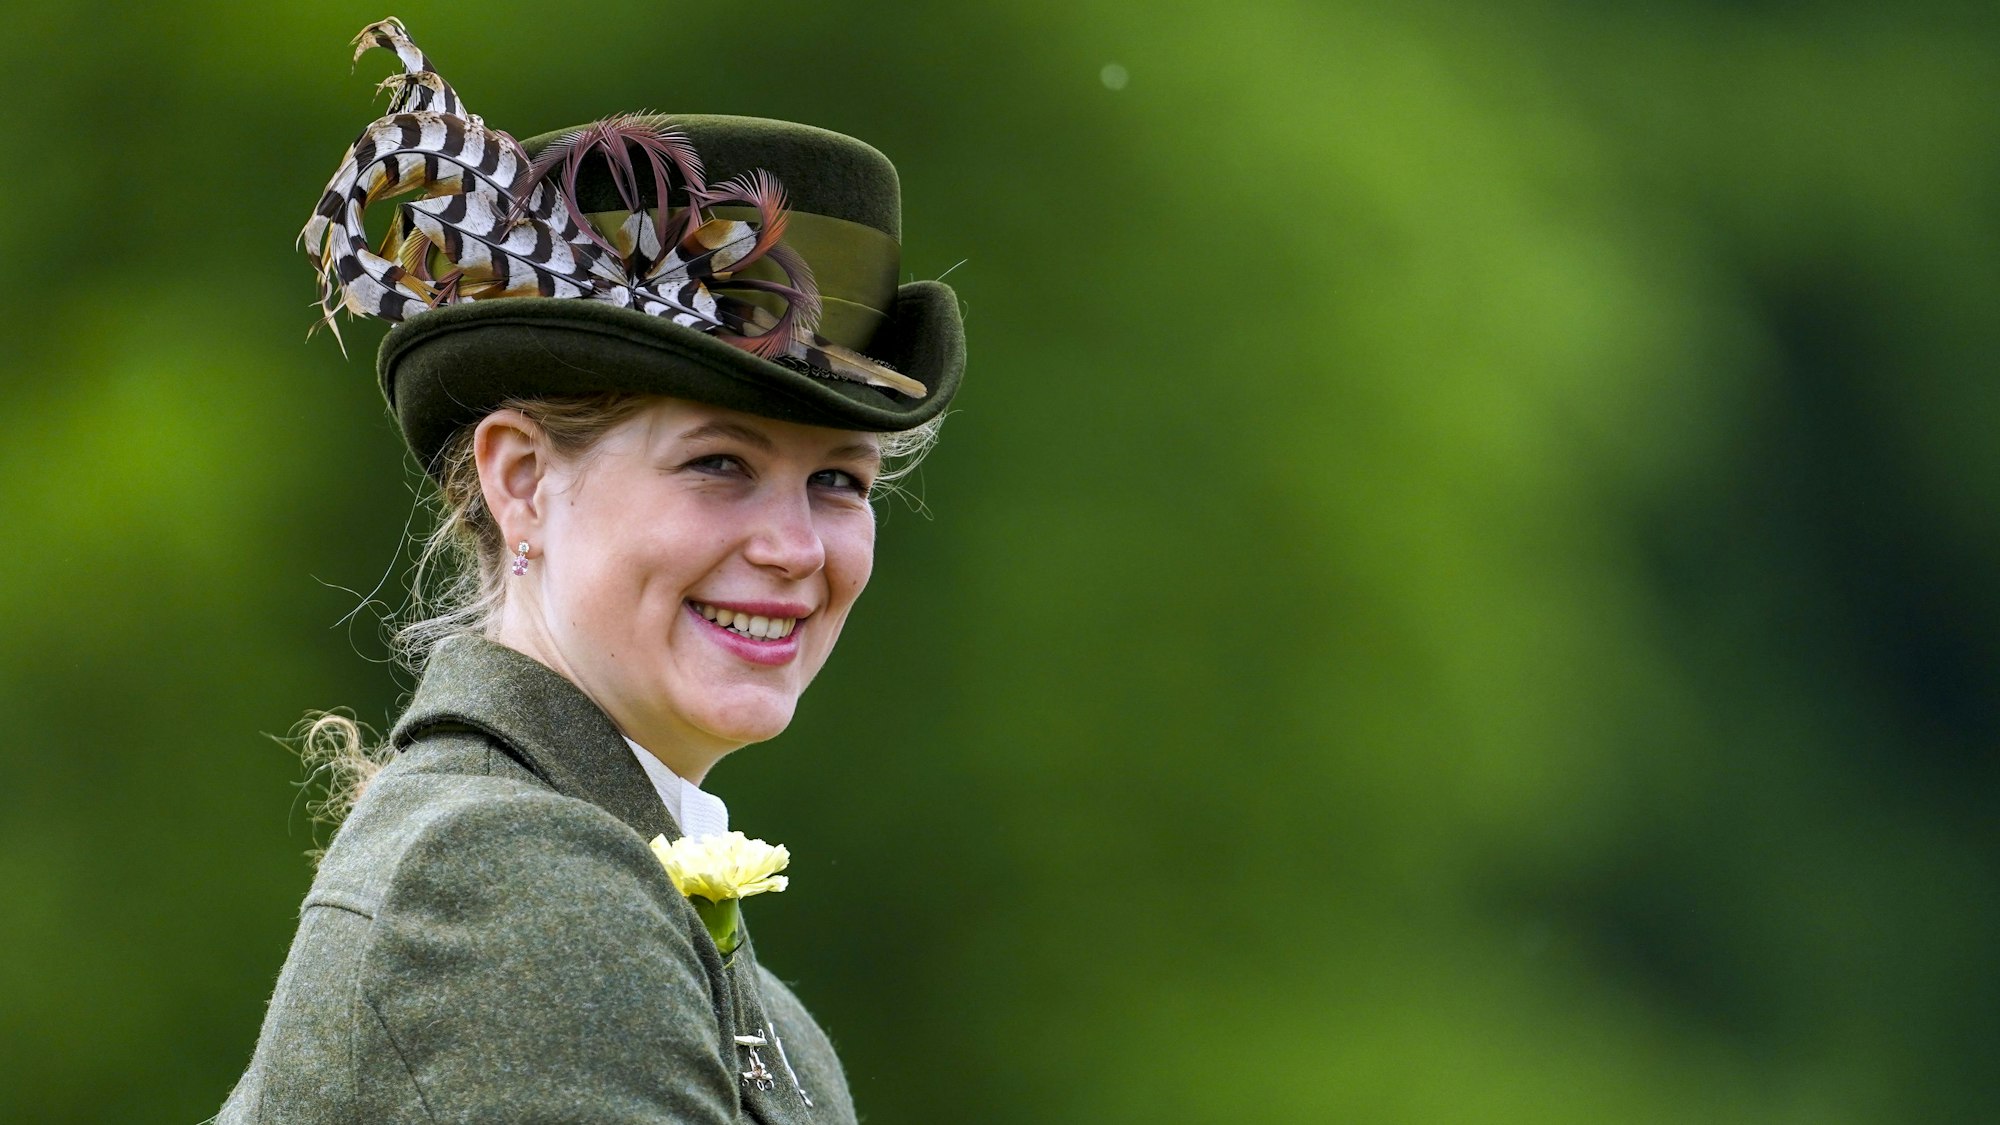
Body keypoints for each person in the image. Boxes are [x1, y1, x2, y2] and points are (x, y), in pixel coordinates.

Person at [217, 19, 962, 1124]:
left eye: (839, 482)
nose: (795, 549)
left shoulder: (702, 961)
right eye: (719, 463)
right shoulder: (510, 887)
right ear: (520, 481)